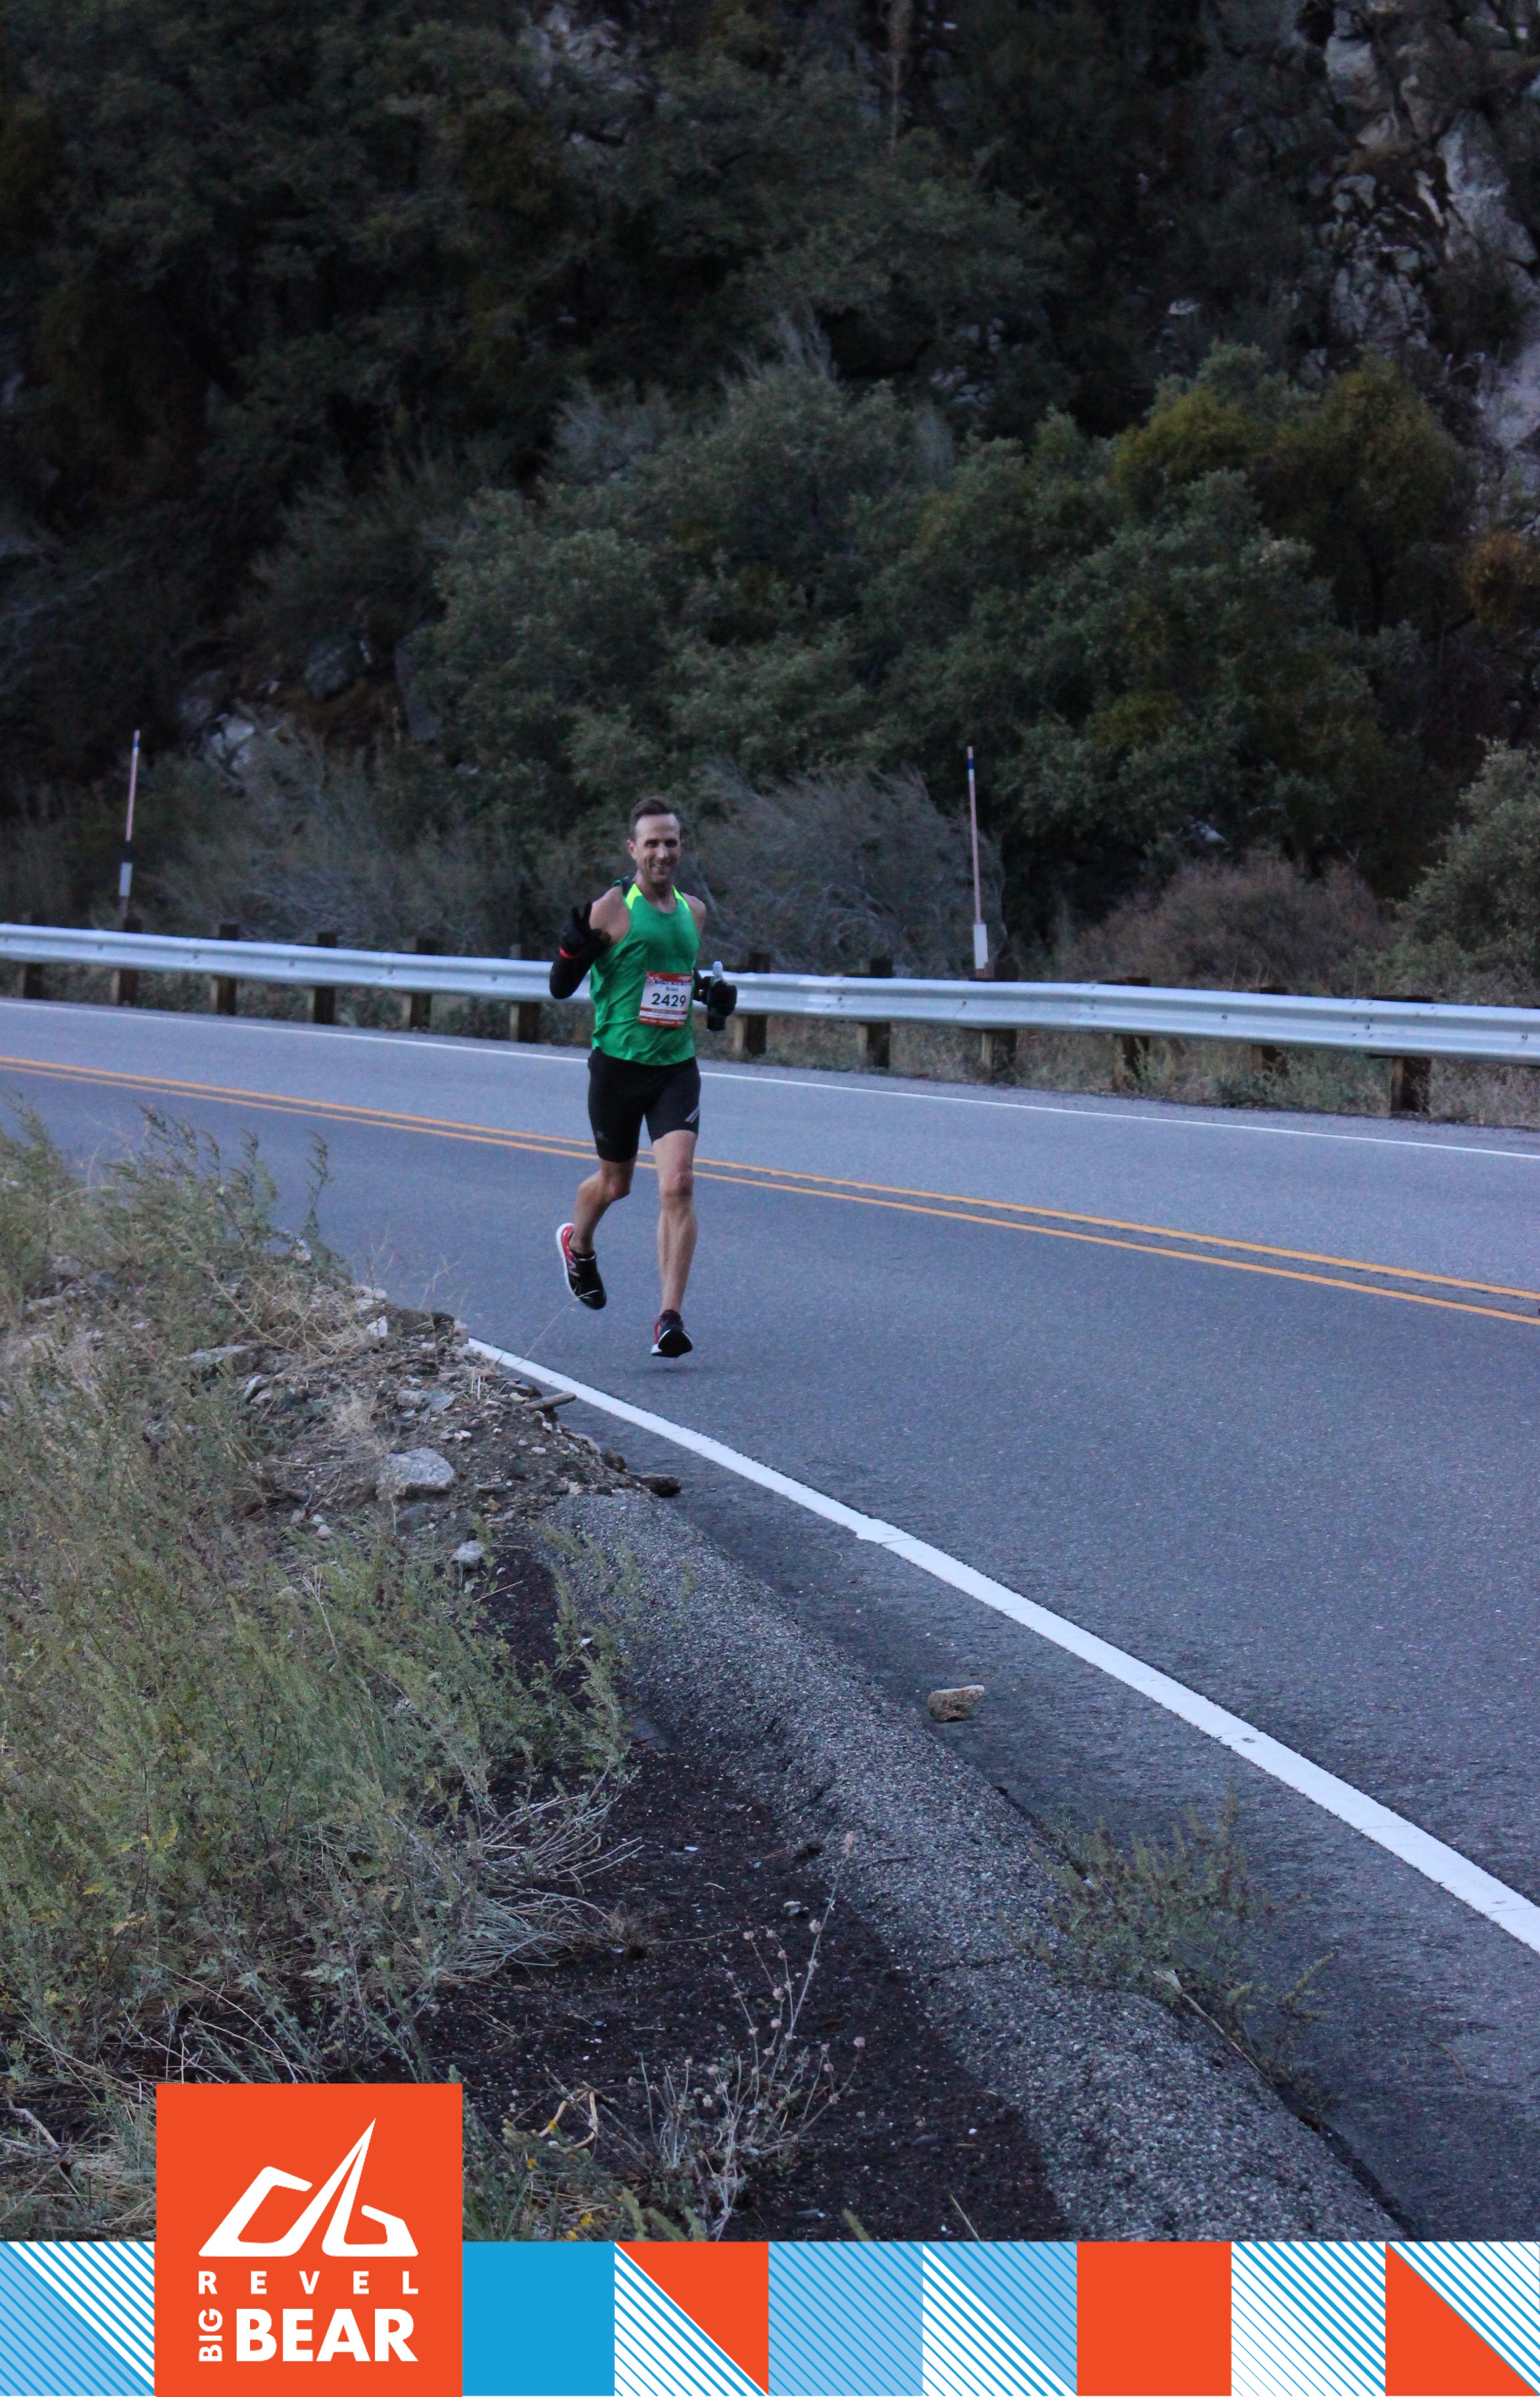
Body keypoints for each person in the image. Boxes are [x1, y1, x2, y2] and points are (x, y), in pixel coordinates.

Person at [548, 800, 735, 1357]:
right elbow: (561, 985)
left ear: (681, 847)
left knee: (678, 1184)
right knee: (616, 1185)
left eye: (670, 842)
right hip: (618, 1068)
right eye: (651, 843)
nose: (662, 852)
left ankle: (669, 1319)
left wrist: (710, 994)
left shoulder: (693, 912)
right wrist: (572, 947)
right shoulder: (612, 908)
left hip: (674, 1067)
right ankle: (578, 1244)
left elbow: (674, 975)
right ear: (633, 850)